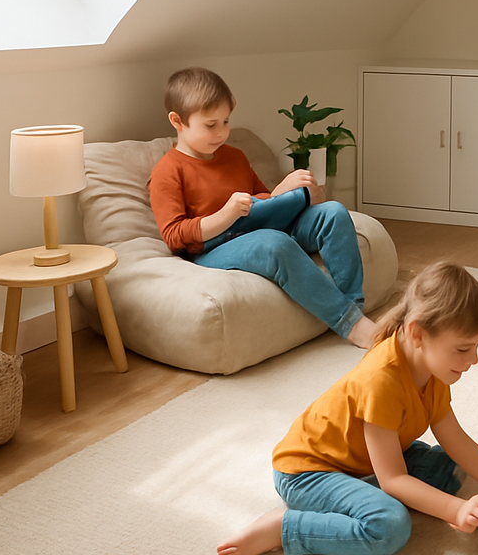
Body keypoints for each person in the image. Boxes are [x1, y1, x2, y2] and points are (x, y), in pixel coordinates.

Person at [216, 261, 478, 555]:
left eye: (476, 348)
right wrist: (455, 510)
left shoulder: (433, 371)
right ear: (418, 334)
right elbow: (393, 478)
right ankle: (283, 528)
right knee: (389, 526)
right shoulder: (381, 379)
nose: (474, 359)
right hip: (307, 473)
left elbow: (457, 442)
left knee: (447, 467)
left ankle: (360, 497)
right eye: (463, 349)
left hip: (361, 463)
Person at [148, 66, 376, 349]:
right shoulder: (167, 171)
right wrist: (224, 215)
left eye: (226, 122)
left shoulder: (234, 156)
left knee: (333, 213)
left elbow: (261, 198)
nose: (221, 132)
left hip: (262, 224)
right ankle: (349, 323)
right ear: (177, 121)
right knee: (274, 243)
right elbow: (173, 235)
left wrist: (285, 193)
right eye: (211, 125)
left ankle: (353, 305)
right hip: (213, 248)